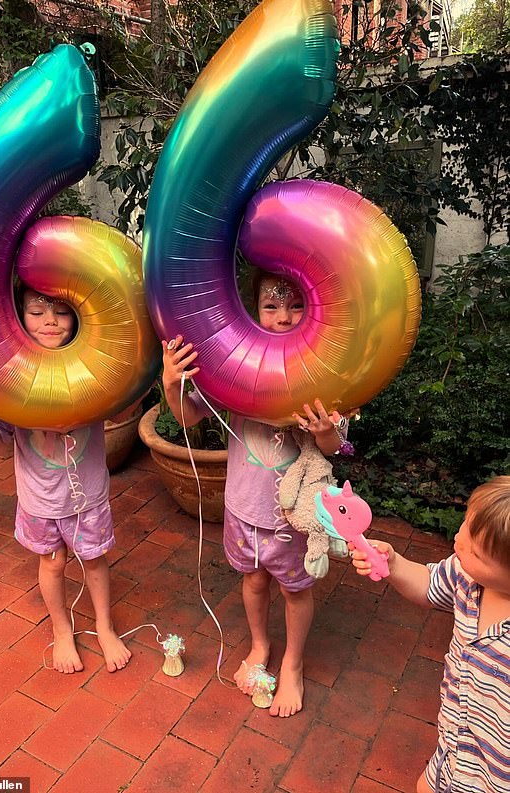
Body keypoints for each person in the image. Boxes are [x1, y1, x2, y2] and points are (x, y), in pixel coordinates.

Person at [162, 270, 350, 717]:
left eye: (295, 305)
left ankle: (293, 663)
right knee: (253, 579)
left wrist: (325, 431)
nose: (283, 317)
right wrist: (172, 383)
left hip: (293, 517)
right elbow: (189, 420)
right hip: (243, 507)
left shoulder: (323, 368)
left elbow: (335, 447)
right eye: (270, 306)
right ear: (251, 311)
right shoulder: (237, 365)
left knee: (295, 590)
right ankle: (261, 645)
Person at [0, 287, 131, 675]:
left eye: (62, 312)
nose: (50, 320)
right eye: (37, 311)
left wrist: (139, 375)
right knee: (51, 564)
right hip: (40, 500)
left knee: (95, 562)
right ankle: (62, 629)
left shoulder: (93, 367)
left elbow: (124, 407)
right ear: (19, 318)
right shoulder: (10, 375)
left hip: (88, 498)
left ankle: (104, 625)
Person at [350, 476, 510, 793]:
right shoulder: (465, 575)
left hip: (494, 777)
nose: (458, 538)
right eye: (466, 523)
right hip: (453, 747)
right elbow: (428, 584)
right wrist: (393, 564)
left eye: (476, 552)